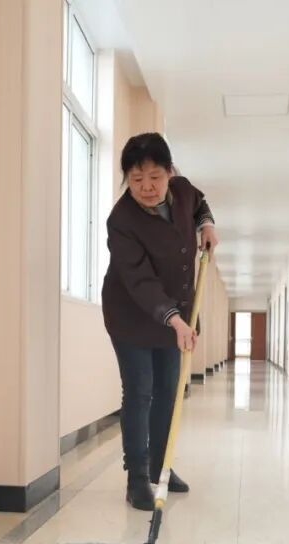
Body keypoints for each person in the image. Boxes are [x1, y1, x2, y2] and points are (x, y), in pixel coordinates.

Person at [101, 133, 220, 511]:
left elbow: (200, 203)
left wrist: (207, 225)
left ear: (169, 172)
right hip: (131, 315)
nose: (147, 187)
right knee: (140, 391)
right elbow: (140, 281)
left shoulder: (182, 191)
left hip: (176, 316)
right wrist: (175, 320)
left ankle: (159, 465)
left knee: (168, 390)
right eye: (136, 179)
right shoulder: (121, 221)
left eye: (154, 177)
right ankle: (137, 478)